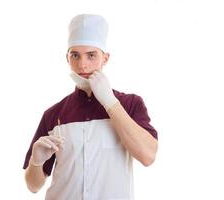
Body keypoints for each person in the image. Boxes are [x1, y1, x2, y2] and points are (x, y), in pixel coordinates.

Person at [23, 14, 158, 200]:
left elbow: (148, 156)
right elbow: (33, 186)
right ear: (67, 58)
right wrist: (36, 162)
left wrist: (110, 103)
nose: (82, 65)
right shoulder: (53, 114)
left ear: (105, 58)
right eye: (75, 55)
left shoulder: (130, 104)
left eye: (91, 55)